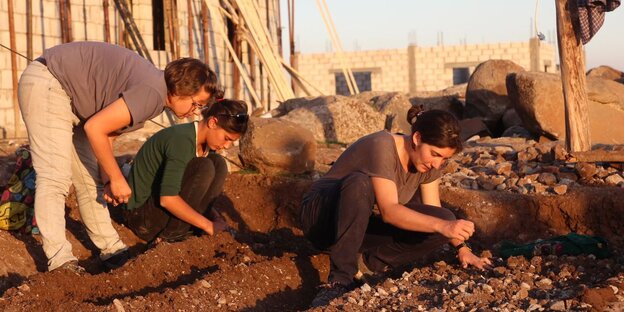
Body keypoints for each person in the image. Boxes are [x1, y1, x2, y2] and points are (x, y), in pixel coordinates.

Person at [17, 41, 220, 272]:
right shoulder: (152, 93)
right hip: (50, 83)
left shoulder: (155, 96)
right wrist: (117, 177)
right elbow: (95, 128)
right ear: (182, 89)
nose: (196, 112)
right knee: (55, 177)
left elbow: (107, 135)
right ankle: (60, 260)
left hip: (70, 98)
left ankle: (111, 249)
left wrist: (107, 179)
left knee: (89, 180)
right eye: (196, 104)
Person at [299, 106, 492, 307]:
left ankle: (367, 264)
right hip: (320, 217)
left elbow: (436, 213)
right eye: (435, 154)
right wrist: (443, 226)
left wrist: (462, 249)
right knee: (360, 183)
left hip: (359, 226)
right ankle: (340, 280)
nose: (437, 164)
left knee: (444, 217)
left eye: (444, 159)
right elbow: (390, 211)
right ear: (417, 139)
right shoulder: (381, 146)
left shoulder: (428, 165)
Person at [124, 99, 248, 243]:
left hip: (160, 212)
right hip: (142, 217)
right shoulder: (181, 141)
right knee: (204, 167)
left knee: (219, 164)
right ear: (212, 123)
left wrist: (216, 219)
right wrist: (208, 226)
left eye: (231, 142)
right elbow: (167, 199)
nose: (227, 146)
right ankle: (171, 238)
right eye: (226, 139)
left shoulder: (206, 146)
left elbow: (196, 193)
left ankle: (189, 230)